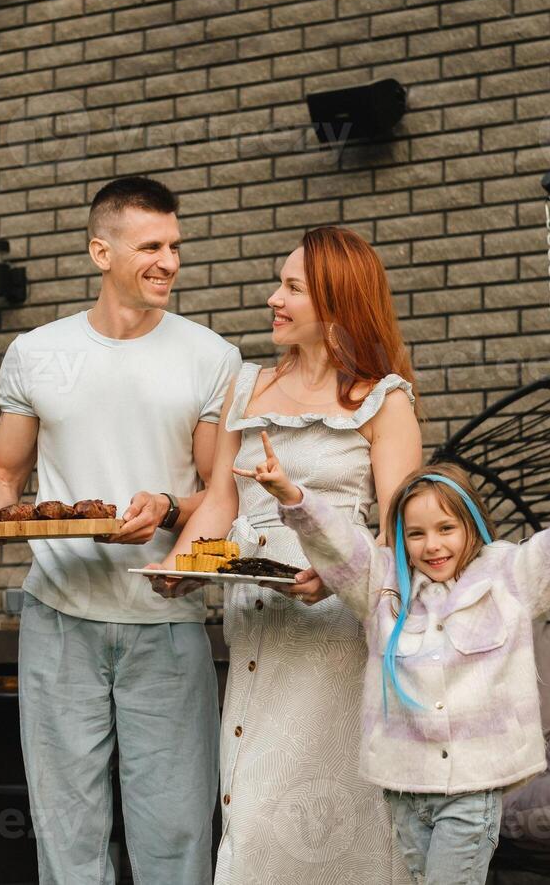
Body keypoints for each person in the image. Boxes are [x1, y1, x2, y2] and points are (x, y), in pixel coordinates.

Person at [0, 176, 240, 885]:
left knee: (173, 838)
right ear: (100, 252)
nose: (169, 261)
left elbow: (218, 494)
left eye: (175, 246)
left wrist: (167, 508)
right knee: (68, 839)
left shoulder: (211, 357)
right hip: (57, 622)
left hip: (166, 623)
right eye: (151, 246)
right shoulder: (37, 352)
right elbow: (2, 471)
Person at [244, 433, 550, 884]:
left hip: (472, 791)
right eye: (415, 534)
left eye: (445, 529)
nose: (431, 545)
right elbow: (339, 543)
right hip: (405, 788)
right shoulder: (381, 585)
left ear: (472, 525)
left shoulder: (511, 576)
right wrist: (292, 496)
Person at [149, 226, 417, 883]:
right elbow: (220, 501)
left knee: (313, 813)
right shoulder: (245, 387)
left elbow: (397, 535)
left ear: (335, 305)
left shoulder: (385, 400)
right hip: (256, 622)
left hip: (336, 636)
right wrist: (186, 562)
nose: (273, 298)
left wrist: (335, 574)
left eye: (291, 287)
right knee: (250, 805)